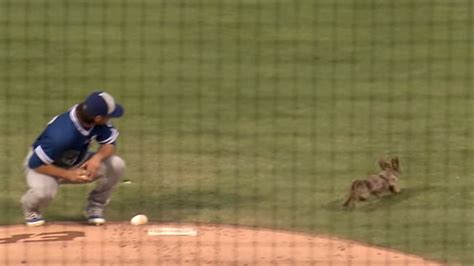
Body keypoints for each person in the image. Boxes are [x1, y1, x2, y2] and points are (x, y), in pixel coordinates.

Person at [21, 91, 126, 226]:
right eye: (108, 116)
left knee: (116, 165)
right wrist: (67, 174)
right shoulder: (61, 134)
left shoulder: (94, 120)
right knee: (43, 193)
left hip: (75, 161)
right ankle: (31, 210)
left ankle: (95, 206)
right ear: (98, 117)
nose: (110, 118)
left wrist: (97, 158)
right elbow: (35, 163)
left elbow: (109, 144)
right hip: (44, 165)